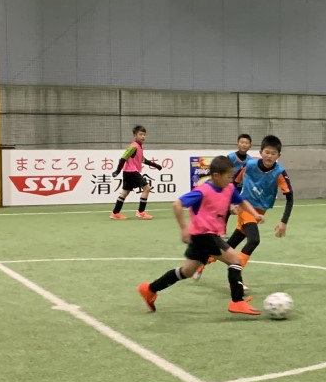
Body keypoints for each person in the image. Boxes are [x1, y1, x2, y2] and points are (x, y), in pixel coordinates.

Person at [137, 155, 262, 316]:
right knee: (235, 260)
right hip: (204, 235)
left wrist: (254, 214)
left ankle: (150, 289)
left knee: (187, 271)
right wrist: (184, 229)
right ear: (216, 176)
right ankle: (237, 301)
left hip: (202, 238)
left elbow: (241, 201)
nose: (231, 180)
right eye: (228, 177)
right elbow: (177, 204)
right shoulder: (203, 191)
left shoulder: (229, 188)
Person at [195, 135, 293, 287]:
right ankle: (236, 279)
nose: (269, 156)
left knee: (229, 246)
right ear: (261, 152)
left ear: (278, 155)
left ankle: (202, 262)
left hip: (260, 211)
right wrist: (232, 202)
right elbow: (233, 182)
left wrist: (283, 222)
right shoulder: (250, 166)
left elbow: (290, 198)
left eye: (273, 153)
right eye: (267, 152)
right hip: (246, 207)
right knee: (254, 240)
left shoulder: (279, 172)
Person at [110, 125, 162, 220]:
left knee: (125, 193)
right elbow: (123, 158)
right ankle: (141, 212)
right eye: (140, 134)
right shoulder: (133, 146)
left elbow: (143, 160)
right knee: (147, 188)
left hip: (128, 172)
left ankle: (115, 213)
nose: (143, 136)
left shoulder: (139, 147)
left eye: (144, 134)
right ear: (135, 136)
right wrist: (117, 171)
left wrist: (156, 165)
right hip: (131, 172)